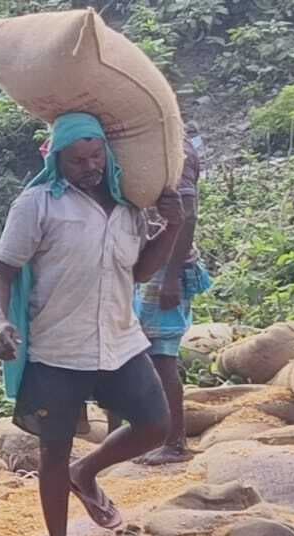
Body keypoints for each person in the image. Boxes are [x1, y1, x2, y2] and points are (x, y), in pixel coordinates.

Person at [0, 113, 185, 536]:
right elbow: (1, 270)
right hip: (58, 349)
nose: (90, 167)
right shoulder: (38, 205)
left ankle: (87, 471)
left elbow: (137, 273)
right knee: (52, 452)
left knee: (156, 425)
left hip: (120, 340)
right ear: (57, 160)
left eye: (96, 156)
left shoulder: (129, 206)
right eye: (78, 160)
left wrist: (172, 227)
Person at [130, 132, 211, 464]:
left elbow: (187, 216)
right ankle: (156, 434)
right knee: (146, 353)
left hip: (166, 267)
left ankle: (175, 442)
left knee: (161, 356)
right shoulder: (153, 145)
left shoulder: (178, 150)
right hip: (151, 262)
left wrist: (172, 277)